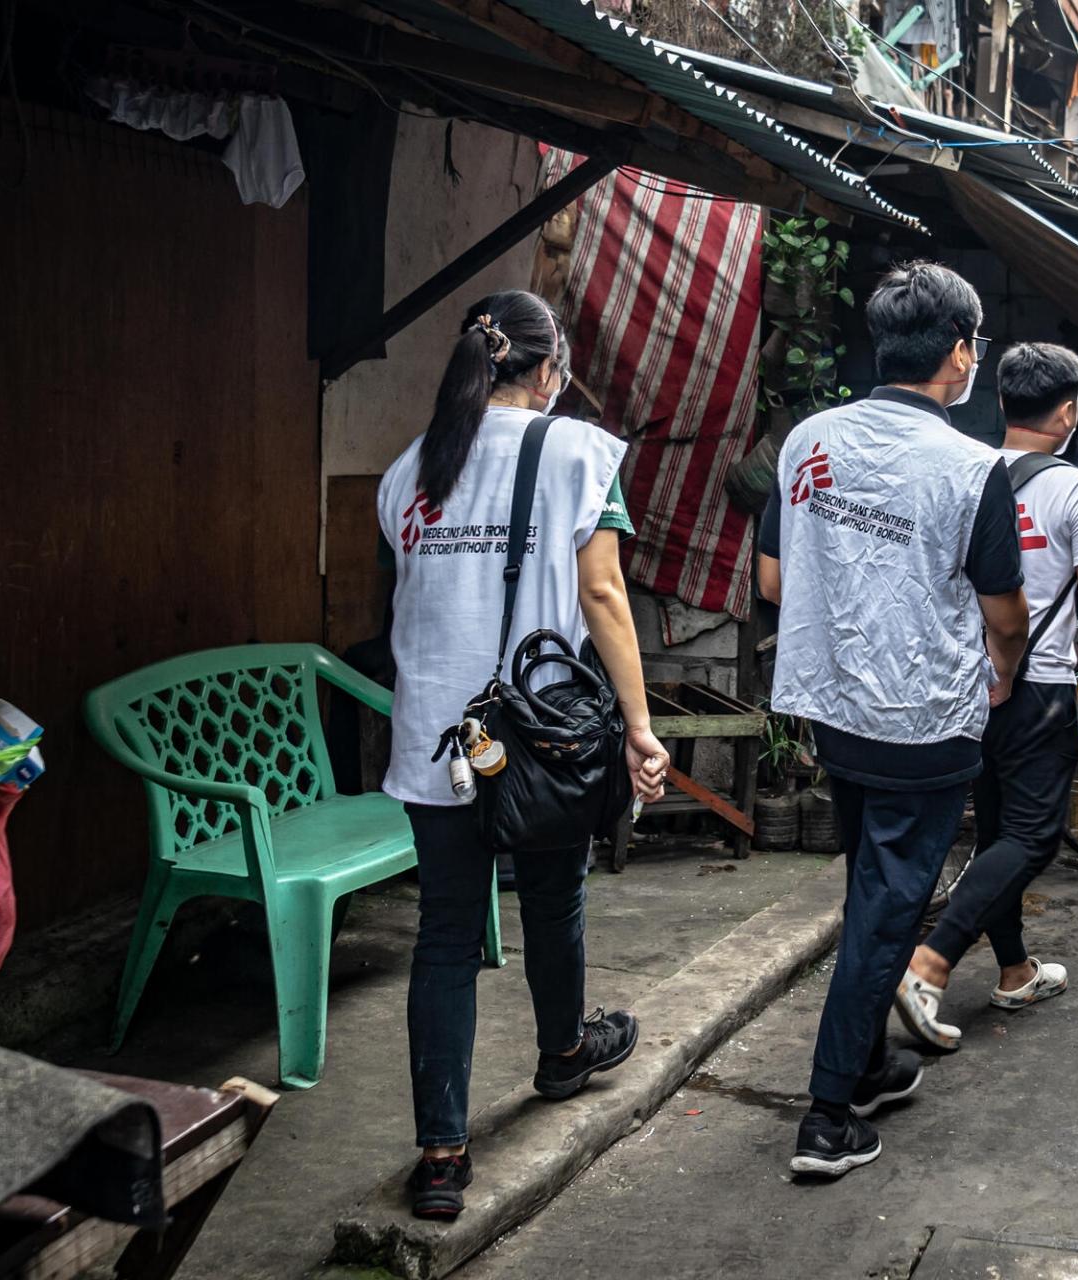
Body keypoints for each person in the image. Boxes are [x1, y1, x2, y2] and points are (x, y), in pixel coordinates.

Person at [376, 289, 670, 1221]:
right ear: (548, 371)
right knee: (554, 896)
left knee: (446, 936)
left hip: (435, 737)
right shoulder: (581, 453)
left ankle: (440, 1154)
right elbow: (604, 596)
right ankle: (560, 1055)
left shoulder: (407, 471)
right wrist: (639, 725)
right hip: (541, 739)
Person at [756, 261, 1029, 1179]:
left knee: (871, 888)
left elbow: (770, 581)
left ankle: (868, 1065)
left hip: (834, 709)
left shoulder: (808, 440)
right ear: (958, 353)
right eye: (975, 343)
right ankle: (827, 1117)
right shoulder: (973, 466)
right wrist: (1000, 670)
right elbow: (1003, 612)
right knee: (888, 906)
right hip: (923, 720)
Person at [893, 343, 1078, 1050]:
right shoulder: (1076, 490)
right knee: (1033, 835)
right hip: (1037, 686)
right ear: (1070, 411)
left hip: (964, 687)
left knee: (998, 835)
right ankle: (929, 963)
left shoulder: (968, 472)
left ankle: (1015, 970)